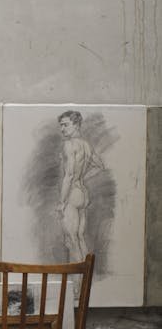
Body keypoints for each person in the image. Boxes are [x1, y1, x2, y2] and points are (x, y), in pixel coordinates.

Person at [58, 110, 104, 261]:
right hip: (83, 193)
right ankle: (86, 279)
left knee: (72, 240)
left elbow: (69, 175)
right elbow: (99, 166)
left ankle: (78, 281)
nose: (62, 129)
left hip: (72, 194)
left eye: (65, 125)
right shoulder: (86, 145)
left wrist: (62, 202)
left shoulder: (69, 145)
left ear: (76, 125)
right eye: (61, 126)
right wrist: (83, 177)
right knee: (80, 237)